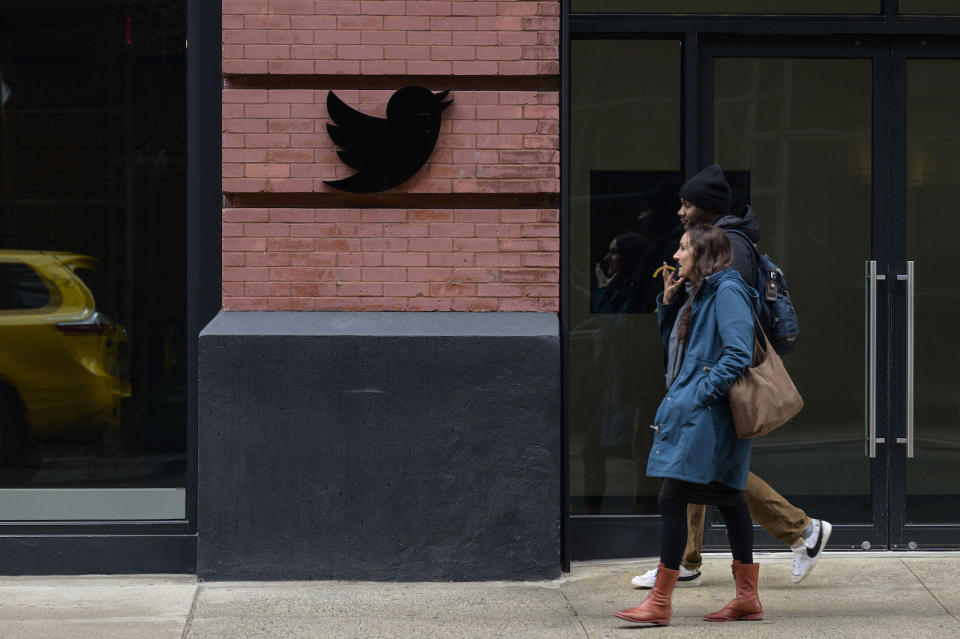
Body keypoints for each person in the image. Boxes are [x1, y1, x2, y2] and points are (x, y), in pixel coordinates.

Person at [631, 165, 831, 589]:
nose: (680, 212)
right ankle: (692, 562)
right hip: (699, 381)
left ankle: (800, 530)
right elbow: (688, 328)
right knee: (696, 473)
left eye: (687, 204)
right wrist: (669, 304)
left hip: (717, 385)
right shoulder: (712, 256)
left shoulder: (730, 257)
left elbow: (732, 335)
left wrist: (705, 388)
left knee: (705, 476)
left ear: (707, 208)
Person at [615, 225, 762, 626]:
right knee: (731, 499)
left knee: (672, 495)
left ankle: (660, 602)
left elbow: (738, 352)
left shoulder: (728, 291)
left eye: (683, 249)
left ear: (705, 253)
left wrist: (701, 394)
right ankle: (747, 598)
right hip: (701, 415)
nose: (677, 256)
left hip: (707, 418)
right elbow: (678, 352)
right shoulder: (702, 292)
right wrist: (667, 302)